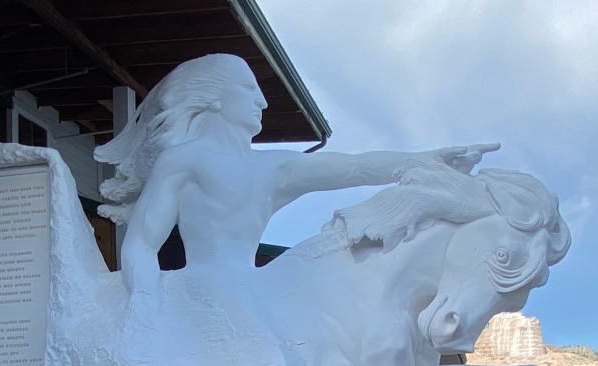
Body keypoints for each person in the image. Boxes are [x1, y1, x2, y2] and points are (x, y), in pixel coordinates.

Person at [93, 54, 498, 301]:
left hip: (250, 290)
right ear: (214, 97)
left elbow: (356, 166)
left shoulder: (274, 167)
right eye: (249, 89)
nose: (263, 101)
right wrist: (145, 306)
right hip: (205, 293)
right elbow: (141, 245)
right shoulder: (185, 159)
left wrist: (424, 161)